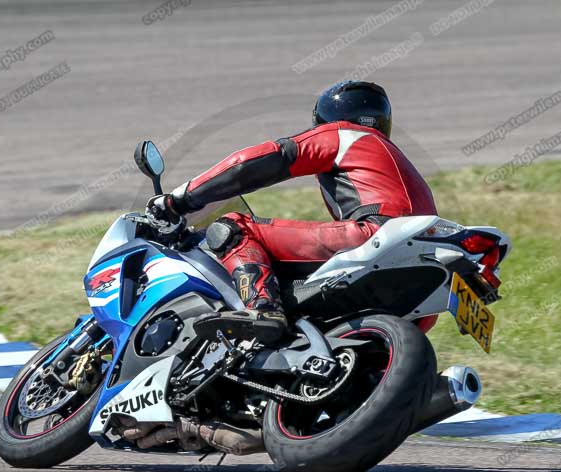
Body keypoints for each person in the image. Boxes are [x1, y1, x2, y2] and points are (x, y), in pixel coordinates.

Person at [147, 80, 438, 342]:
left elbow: (264, 161)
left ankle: (262, 309)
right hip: (416, 290)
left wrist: (181, 199)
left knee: (234, 228)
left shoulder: (345, 135)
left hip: (375, 237)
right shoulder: (403, 168)